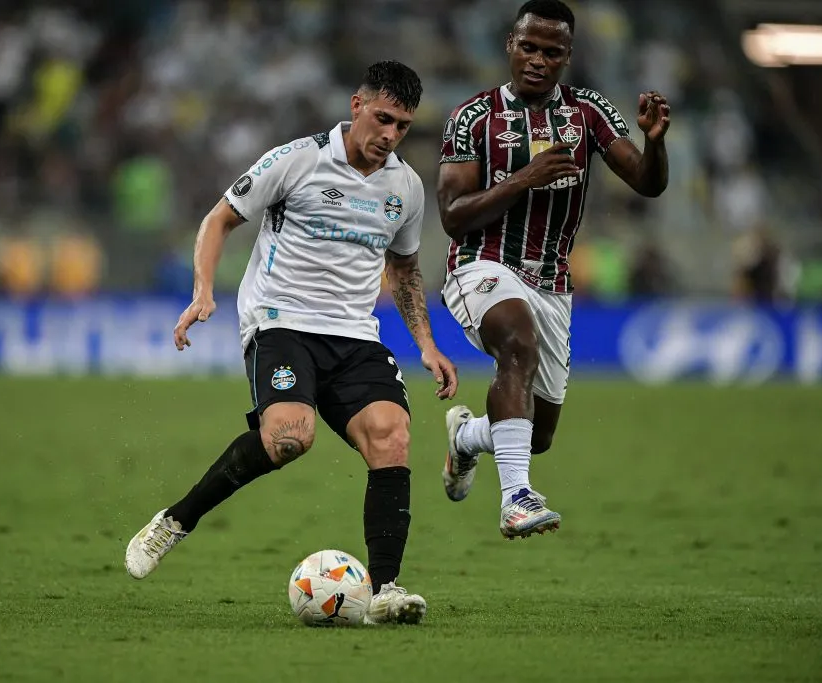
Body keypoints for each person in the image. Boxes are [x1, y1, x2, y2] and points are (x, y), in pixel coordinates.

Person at [125, 61, 459, 625]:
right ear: (357, 106)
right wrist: (203, 291)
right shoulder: (296, 160)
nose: (390, 135)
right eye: (383, 119)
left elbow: (403, 270)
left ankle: (385, 590)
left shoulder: (405, 187)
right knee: (289, 438)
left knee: (392, 435)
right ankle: (176, 520)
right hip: (282, 322)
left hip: (354, 333)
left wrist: (426, 343)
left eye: (403, 126)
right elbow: (218, 219)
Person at [436, 0, 670, 538]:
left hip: (552, 282)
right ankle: (516, 499)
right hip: (481, 263)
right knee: (517, 342)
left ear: (568, 56)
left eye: (552, 51)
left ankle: (466, 439)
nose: (538, 60)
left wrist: (655, 145)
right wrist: (524, 178)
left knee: (536, 434)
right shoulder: (473, 117)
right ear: (510, 46)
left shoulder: (588, 112)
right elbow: (452, 215)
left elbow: (647, 182)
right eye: (528, 47)